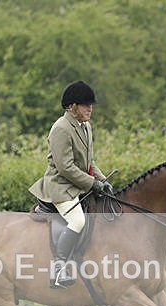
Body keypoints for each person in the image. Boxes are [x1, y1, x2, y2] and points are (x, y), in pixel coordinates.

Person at [29, 81, 113, 289]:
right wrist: (92, 183)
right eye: (85, 105)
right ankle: (58, 269)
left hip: (78, 185)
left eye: (91, 105)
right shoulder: (61, 128)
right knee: (78, 221)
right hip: (60, 187)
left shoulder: (86, 127)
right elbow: (65, 167)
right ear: (71, 107)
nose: (90, 109)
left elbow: (88, 162)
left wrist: (103, 181)